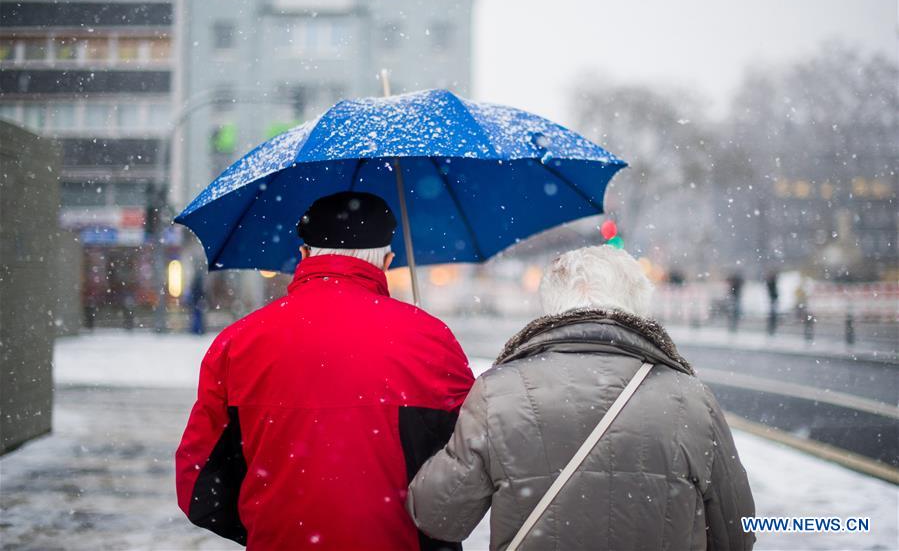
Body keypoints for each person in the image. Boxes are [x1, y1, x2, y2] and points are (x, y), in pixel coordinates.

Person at [176, 191, 474, 550]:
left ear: (304, 254)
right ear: (388, 260)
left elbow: (198, 485)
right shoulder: (431, 339)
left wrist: (269, 525)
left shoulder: (238, 342)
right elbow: (469, 464)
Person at [407, 246, 755, 550]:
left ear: (550, 307)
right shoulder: (692, 399)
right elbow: (735, 534)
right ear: (637, 306)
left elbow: (438, 516)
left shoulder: (497, 393)